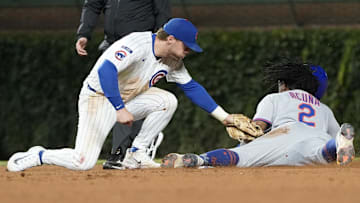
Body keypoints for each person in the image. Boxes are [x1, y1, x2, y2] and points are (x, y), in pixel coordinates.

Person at [7, 18, 237, 172]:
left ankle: (135, 154)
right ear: (170, 39)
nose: (188, 52)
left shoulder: (172, 61)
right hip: (98, 98)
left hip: (126, 100)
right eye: (186, 46)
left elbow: (192, 87)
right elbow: (106, 69)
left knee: (167, 100)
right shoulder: (137, 43)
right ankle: (40, 154)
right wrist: (119, 108)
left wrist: (224, 117)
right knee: (83, 162)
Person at [161, 58, 356, 168]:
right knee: (321, 153)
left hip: (284, 134)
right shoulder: (324, 109)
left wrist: (243, 137)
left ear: (285, 83)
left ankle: (198, 159)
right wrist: (337, 141)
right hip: (316, 138)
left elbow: (256, 130)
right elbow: (333, 131)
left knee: (240, 156)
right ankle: (335, 145)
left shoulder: (275, 98)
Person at [75, 0, 171, 169]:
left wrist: (157, 46)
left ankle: (126, 152)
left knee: (132, 98)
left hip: (141, 48)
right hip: (113, 46)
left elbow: (162, 13)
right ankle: (121, 154)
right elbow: (92, 5)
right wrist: (84, 33)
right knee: (115, 100)